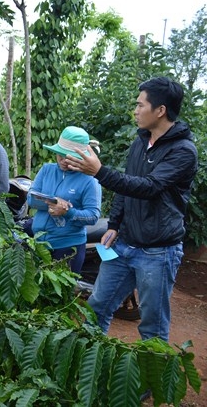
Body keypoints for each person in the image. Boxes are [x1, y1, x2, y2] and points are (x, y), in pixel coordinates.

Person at [64, 77, 198, 341]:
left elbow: (148, 187)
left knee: (152, 326)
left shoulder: (183, 151)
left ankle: (150, 383)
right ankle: (92, 368)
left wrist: (100, 171)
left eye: (140, 105)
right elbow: (127, 187)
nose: (135, 111)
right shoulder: (140, 143)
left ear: (160, 110)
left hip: (158, 251)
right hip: (124, 245)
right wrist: (114, 224)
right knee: (97, 307)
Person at [26, 126, 101, 273]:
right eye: (60, 154)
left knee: (61, 294)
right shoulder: (47, 170)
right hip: (40, 244)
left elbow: (93, 216)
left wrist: (68, 212)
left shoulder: (89, 181)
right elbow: (31, 199)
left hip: (68, 247)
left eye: (69, 156)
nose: (63, 160)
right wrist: (54, 202)